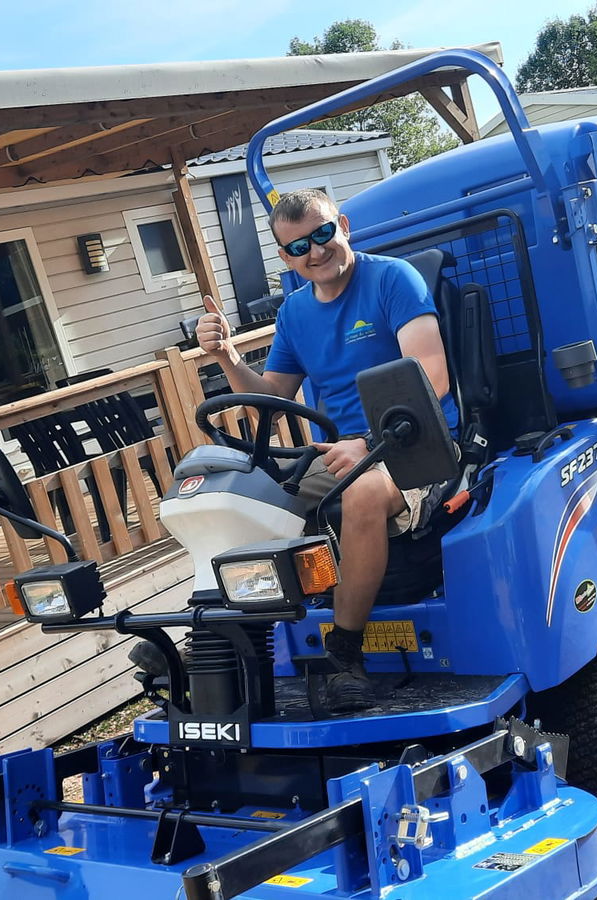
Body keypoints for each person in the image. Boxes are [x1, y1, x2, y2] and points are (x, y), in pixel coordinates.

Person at [195, 188, 456, 711]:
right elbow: (273, 399)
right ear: (284, 256)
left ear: (344, 226)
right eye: (298, 247)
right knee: (236, 498)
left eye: (322, 234)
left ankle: (344, 654)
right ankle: (216, 641)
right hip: (337, 452)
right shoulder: (295, 312)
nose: (314, 252)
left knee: (362, 494)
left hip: (414, 443)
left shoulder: (393, 280)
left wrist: (368, 442)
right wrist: (226, 355)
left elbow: (432, 375)